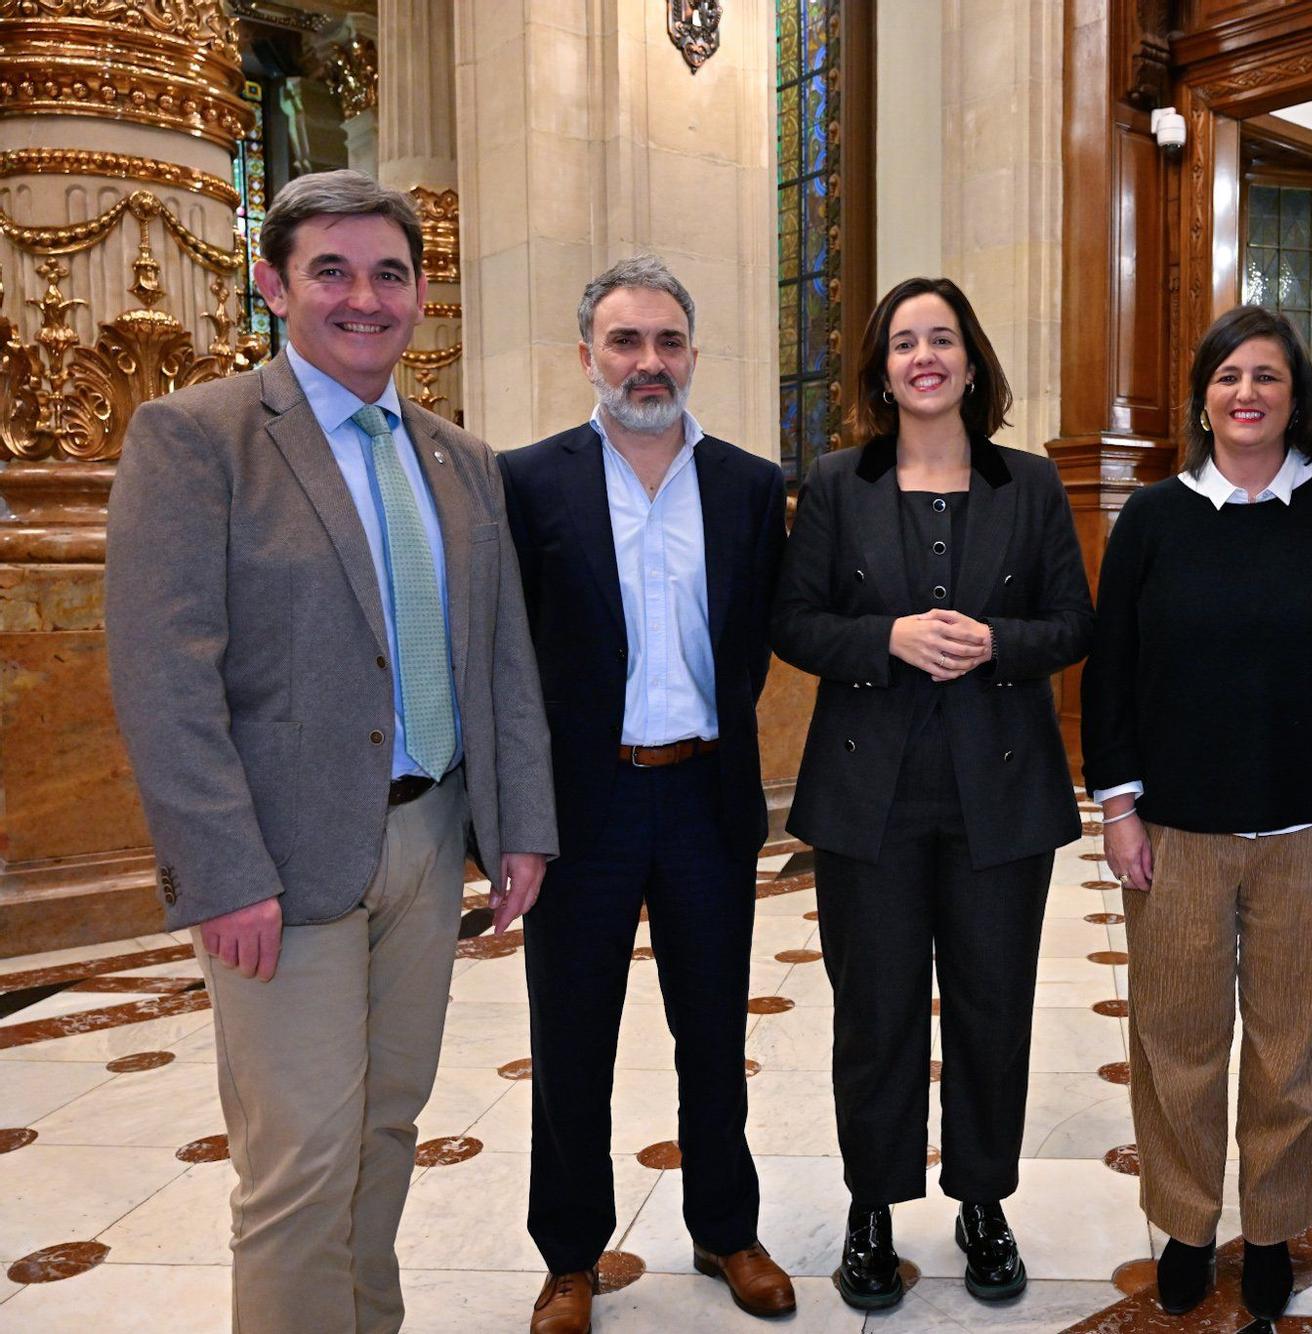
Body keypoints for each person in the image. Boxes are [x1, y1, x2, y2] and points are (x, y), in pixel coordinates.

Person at [104, 169, 557, 1334]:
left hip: (427, 836)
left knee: (386, 1124)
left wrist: (517, 827)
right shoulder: (199, 436)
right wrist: (222, 869)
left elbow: (498, 657)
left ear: (417, 292)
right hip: (282, 858)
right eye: (333, 271)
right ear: (274, 286)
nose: (366, 297)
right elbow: (164, 674)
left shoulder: (459, 459)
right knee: (300, 1155)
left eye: (390, 273)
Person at [1083, 304, 1312, 1320]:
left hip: (1311, 828)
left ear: (1294, 396)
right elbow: (1110, 672)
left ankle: (1270, 1226)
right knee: (1177, 1039)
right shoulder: (1153, 516)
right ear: (1202, 397)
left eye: (1266, 376)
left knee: (1296, 1044)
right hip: (1176, 831)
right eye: (1228, 376)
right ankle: (1187, 1224)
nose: (1246, 394)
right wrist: (1118, 804)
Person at [771, 276, 1093, 1311]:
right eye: (904, 340)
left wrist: (997, 643)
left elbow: (1071, 625)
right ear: (880, 365)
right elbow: (796, 623)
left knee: (993, 1009)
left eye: (941, 337)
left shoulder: (1030, 484)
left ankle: (982, 1202)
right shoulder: (833, 484)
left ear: (968, 358)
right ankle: (870, 1208)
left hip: (1000, 794)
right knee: (874, 1010)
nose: (923, 356)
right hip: (869, 796)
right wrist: (889, 639)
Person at [496, 255, 794, 1330]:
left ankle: (725, 1226)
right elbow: (509, 659)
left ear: (692, 354)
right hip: (584, 807)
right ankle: (571, 1253)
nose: (648, 361)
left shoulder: (752, 486)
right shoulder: (528, 482)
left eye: (667, 340)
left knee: (714, 1029)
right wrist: (513, 816)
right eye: (625, 341)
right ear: (586, 356)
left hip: (706, 794)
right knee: (571, 1034)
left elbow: (755, 636)